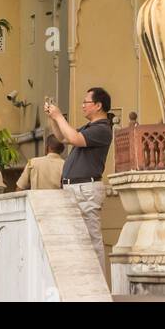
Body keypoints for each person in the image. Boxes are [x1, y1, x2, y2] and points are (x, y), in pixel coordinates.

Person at [45, 87, 113, 273]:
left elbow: (74, 139)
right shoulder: (90, 128)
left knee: (91, 239)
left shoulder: (102, 129)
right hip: (76, 188)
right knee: (76, 239)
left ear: (98, 105)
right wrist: (53, 118)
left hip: (86, 188)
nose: (83, 105)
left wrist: (59, 117)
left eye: (86, 102)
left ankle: (98, 286)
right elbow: (62, 137)